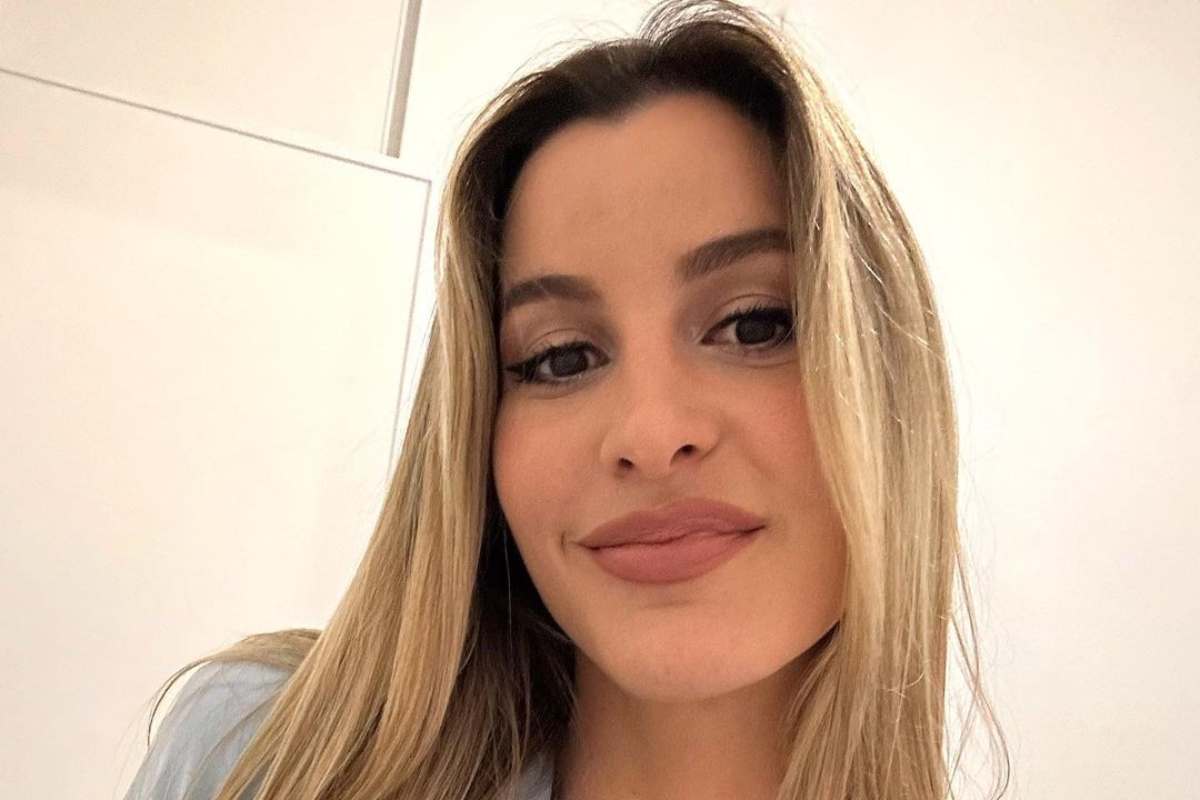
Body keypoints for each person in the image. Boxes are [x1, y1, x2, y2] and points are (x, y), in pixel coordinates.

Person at [123, 1, 1011, 798]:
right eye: (561, 358)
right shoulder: (261, 758)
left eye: (754, 324)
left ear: (889, 386)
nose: (651, 434)